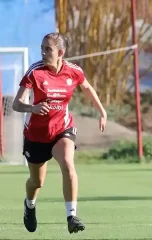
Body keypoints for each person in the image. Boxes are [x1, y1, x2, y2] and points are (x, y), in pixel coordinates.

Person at [12, 33, 107, 234]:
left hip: (62, 129)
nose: (43, 52)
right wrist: (33, 108)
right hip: (36, 136)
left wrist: (102, 111)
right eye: (42, 48)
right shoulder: (34, 72)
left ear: (61, 53)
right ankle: (29, 204)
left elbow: (87, 88)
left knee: (67, 163)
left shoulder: (73, 71)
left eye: (48, 49)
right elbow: (16, 104)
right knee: (36, 182)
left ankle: (71, 216)